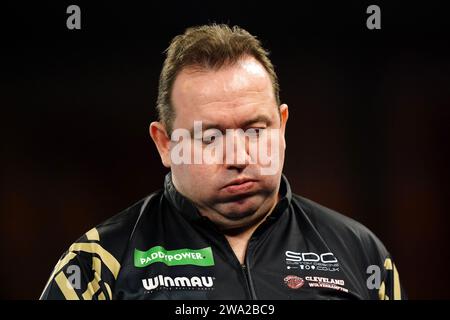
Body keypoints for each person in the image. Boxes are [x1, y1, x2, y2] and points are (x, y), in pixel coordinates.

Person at [40, 24, 405, 300]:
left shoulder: (361, 252)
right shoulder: (99, 262)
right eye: (210, 137)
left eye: (255, 130)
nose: (238, 157)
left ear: (282, 125)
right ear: (165, 144)